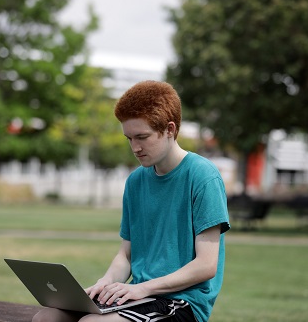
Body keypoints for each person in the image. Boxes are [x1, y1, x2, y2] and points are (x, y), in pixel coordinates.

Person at [33, 80, 230, 322]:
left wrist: (143, 288)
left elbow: (206, 265)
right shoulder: (136, 181)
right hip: (137, 295)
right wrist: (104, 283)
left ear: (170, 129)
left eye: (142, 137)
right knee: (47, 318)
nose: (135, 148)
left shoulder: (203, 177)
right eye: (129, 139)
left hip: (182, 303)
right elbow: (126, 255)